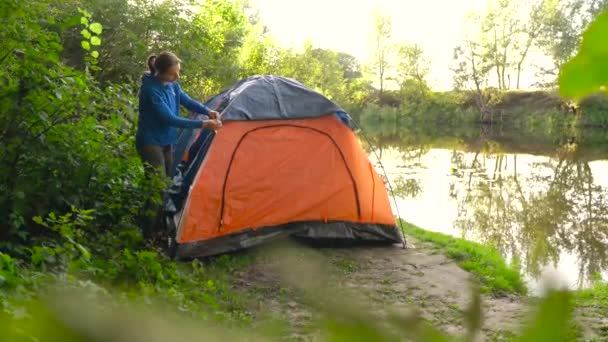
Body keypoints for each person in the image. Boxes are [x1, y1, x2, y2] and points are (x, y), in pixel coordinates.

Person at [136, 51, 222, 239]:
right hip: (150, 143)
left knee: (164, 184)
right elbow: (169, 119)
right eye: (173, 73)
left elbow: (188, 101)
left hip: (167, 141)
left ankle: (156, 227)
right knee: (156, 187)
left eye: (178, 72)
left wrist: (208, 111)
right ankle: (146, 235)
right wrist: (203, 124)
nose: (177, 76)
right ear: (161, 72)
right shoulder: (151, 90)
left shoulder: (172, 86)